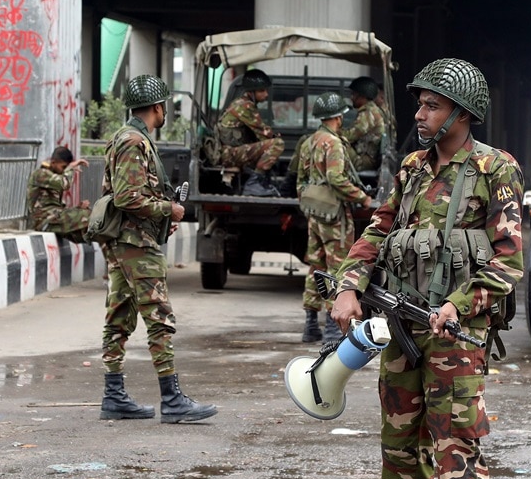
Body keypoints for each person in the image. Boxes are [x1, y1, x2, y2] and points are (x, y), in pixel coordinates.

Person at [331, 58, 524, 479]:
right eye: (420, 104)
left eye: (432, 105)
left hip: (454, 340)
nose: (420, 114)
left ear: (462, 114)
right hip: (401, 331)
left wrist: (457, 306)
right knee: (398, 448)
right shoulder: (413, 168)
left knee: (456, 449)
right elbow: (380, 230)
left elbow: (507, 259)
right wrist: (348, 286)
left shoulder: (495, 169)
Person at [98, 74, 217, 424]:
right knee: (159, 318)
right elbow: (127, 197)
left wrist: (163, 215)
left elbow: (133, 194)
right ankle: (172, 399)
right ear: (157, 107)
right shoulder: (135, 141)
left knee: (119, 317)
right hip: (137, 245)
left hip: (127, 242)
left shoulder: (128, 137)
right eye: (164, 107)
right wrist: (170, 209)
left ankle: (113, 396)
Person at [297, 92, 373, 343]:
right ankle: (332, 327)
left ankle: (310, 324)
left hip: (315, 213)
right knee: (337, 267)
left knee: (315, 266)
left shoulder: (308, 141)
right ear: (339, 117)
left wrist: (310, 202)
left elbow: (301, 181)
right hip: (333, 215)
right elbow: (336, 178)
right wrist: (362, 197)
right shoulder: (333, 143)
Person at [203, 68, 285, 197]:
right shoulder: (244, 106)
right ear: (251, 92)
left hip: (230, 152)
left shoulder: (242, 103)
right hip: (228, 154)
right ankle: (253, 184)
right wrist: (275, 137)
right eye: (262, 90)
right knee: (277, 144)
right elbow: (263, 132)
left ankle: (261, 183)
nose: (266, 94)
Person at [27, 146, 90, 242]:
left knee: (90, 232)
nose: (64, 170)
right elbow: (64, 184)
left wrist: (77, 208)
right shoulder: (40, 174)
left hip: (53, 219)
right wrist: (70, 169)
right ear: (53, 163)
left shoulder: (53, 176)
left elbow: (60, 208)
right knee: (89, 216)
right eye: (63, 167)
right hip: (43, 221)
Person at [342, 76, 387, 174]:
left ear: (362, 96)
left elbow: (349, 136)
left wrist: (334, 131)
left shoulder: (368, 113)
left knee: (330, 145)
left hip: (363, 161)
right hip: (364, 157)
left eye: (354, 94)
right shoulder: (371, 110)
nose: (351, 98)